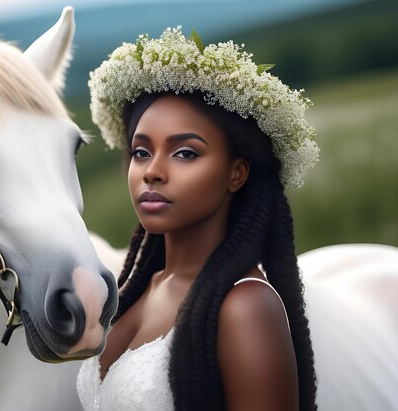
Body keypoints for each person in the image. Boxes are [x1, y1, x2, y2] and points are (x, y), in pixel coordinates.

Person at [76, 27, 319, 410]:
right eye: (141, 152)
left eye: (185, 153)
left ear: (236, 173)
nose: (152, 171)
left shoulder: (244, 307)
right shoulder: (140, 287)